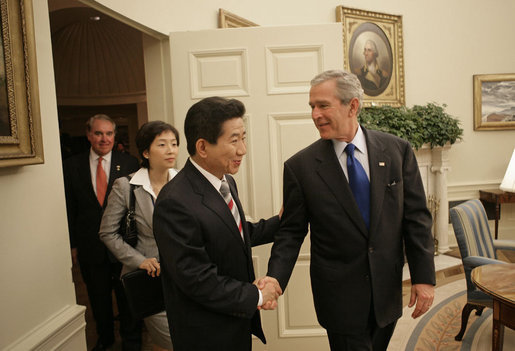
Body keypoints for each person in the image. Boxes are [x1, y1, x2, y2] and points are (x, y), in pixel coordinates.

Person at [258, 70, 435, 351]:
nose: (315, 115)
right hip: (339, 298)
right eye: (312, 107)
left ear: (352, 106)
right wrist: (275, 278)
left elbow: (416, 219)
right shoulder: (300, 168)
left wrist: (423, 277)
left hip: (386, 292)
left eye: (323, 105)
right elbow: (291, 232)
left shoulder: (397, 151)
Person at [153, 96, 282, 351]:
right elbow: (197, 278)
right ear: (202, 147)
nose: (243, 149)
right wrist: (255, 295)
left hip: (233, 322)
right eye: (234, 140)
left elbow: (234, 233)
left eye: (243, 138)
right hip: (206, 334)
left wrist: (282, 222)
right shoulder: (174, 202)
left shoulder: (224, 181)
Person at [99, 121, 180, 351]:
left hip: (185, 276)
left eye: (174, 144)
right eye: (162, 144)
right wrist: (139, 260)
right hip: (150, 279)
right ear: (146, 152)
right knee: (170, 341)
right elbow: (107, 232)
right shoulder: (126, 186)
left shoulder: (186, 183)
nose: (171, 150)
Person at [63, 114, 141, 351]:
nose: (104, 138)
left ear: (114, 136)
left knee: (127, 297)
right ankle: (105, 338)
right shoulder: (71, 165)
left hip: (124, 245)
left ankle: (132, 341)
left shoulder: (129, 163)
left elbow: (138, 206)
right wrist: (72, 245)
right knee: (98, 299)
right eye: (98, 133)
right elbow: (69, 207)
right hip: (90, 246)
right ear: (89, 135)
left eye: (108, 133)